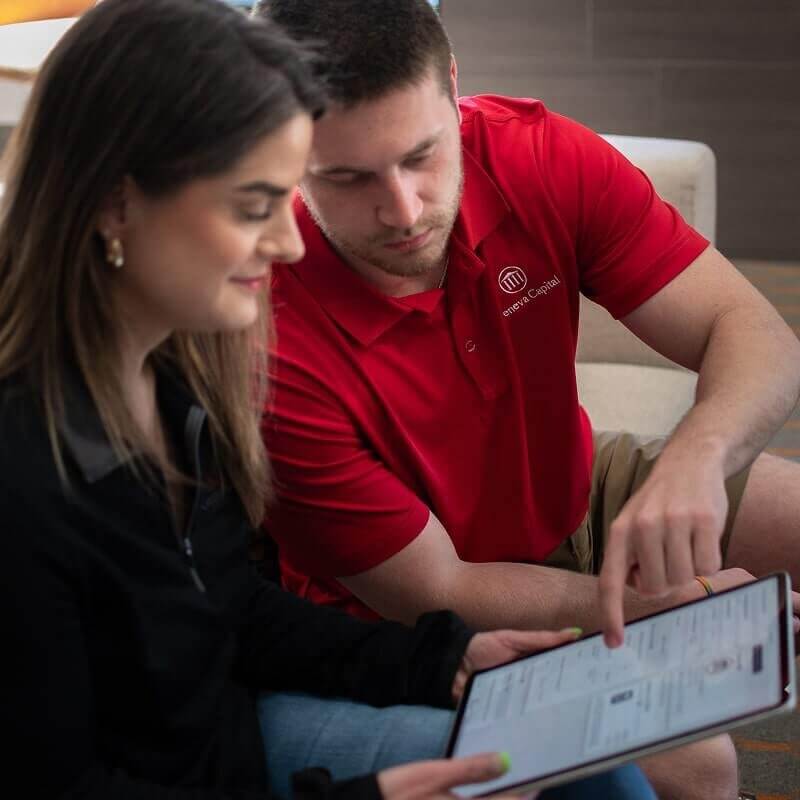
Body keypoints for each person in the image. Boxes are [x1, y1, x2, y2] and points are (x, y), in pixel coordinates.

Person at [0, 1, 657, 799]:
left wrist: (441, 663)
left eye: (289, 196)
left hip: (233, 739)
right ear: (113, 203)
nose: (289, 242)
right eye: (253, 207)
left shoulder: (180, 371)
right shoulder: (24, 473)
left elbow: (227, 608)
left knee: (587, 766)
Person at [256, 1, 800, 799]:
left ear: (452, 86)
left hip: (572, 494)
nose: (403, 210)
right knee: (698, 766)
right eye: (348, 178)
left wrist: (697, 458)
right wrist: (668, 612)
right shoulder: (266, 330)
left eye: (423, 155)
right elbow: (440, 589)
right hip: (422, 610)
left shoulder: (533, 151)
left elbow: (752, 329)